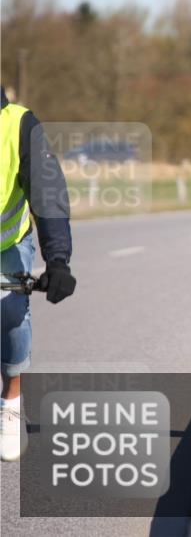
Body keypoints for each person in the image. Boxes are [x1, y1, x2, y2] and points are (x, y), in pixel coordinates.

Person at [1, 85, 76, 461]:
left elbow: (47, 193)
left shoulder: (18, 125)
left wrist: (58, 260)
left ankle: (11, 400)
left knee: (11, 312)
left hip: (6, 245)